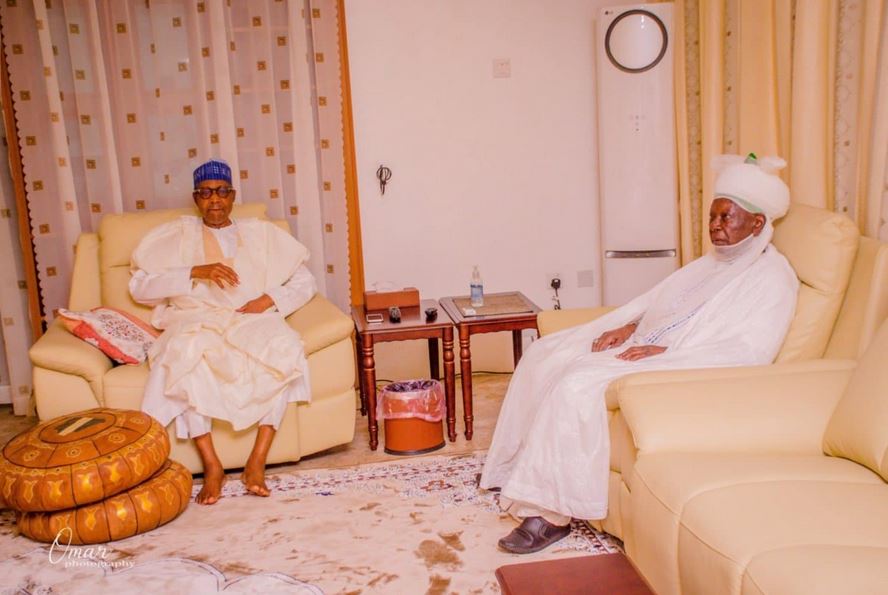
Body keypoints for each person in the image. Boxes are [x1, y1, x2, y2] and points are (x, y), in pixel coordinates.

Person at [480, 154, 800, 553]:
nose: (715, 226)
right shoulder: (711, 263)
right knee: (545, 353)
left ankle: (551, 514)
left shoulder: (772, 280)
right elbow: (660, 306)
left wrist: (665, 352)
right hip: (644, 345)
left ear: (757, 223)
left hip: (680, 366)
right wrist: (629, 327)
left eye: (726, 218)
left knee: (575, 384)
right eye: (712, 217)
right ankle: (515, 471)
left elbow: (747, 352)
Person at [130, 159, 317, 505]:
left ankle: (256, 461)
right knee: (185, 357)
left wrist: (269, 299)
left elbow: (305, 281)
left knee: (285, 348)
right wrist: (193, 272)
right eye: (205, 193)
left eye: (221, 192)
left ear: (232, 195)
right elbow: (140, 288)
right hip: (197, 318)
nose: (214, 199)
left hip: (249, 317)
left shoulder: (260, 233)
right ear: (195, 198)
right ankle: (212, 466)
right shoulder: (177, 235)